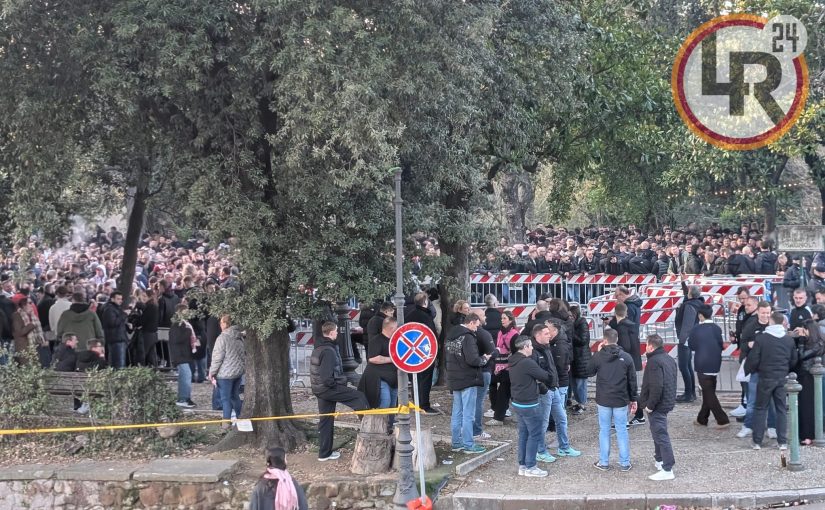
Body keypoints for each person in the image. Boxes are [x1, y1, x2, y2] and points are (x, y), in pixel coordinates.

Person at [311, 321, 368, 461]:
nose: (337, 333)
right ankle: (369, 429)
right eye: (336, 331)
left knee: (326, 420)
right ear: (331, 333)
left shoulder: (319, 347)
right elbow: (326, 376)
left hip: (320, 389)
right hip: (328, 388)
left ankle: (324, 453)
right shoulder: (328, 351)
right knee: (359, 397)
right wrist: (339, 384)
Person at [745, 311, 797, 450]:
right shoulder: (788, 340)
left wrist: (749, 369)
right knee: (781, 409)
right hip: (781, 378)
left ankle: (757, 441)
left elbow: (754, 358)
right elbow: (793, 360)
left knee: (761, 408)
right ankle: (782, 442)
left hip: (765, 377)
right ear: (782, 323)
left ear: (771, 321)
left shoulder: (762, 339)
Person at [590, 328, 637, 472]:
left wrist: (597, 353)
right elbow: (632, 380)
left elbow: (589, 371)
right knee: (622, 430)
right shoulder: (627, 357)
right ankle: (624, 462)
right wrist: (633, 399)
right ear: (617, 339)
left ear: (604, 340)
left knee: (604, 430)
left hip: (603, 398)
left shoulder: (598, 357)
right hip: (621, 399)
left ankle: (604, 462)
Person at [509, 335, 556, 478]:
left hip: (517, 402)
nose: (532, 348)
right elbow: (546, 376)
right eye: (530, 346)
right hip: (529, 403)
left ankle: (522, 465)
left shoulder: (513, 360)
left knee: (524, 434)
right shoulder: (527, 363)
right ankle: (531, 466)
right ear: (524, 347)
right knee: (535, 434)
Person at [445, 312, 489, 454]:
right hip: (467, 378)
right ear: (471, 323)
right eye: (477, 325)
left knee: (457, 412)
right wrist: (484, 359)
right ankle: (469, 444)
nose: (477, 329)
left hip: (454, 377)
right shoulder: (468, 337)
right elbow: (472, 360)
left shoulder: (451, 335)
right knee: (468, 413)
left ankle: (456, 442)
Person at [638, 334, 678, 481]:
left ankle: (668, 468)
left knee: (661, 435)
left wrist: (649, 405)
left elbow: (656, 386)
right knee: (657, 432)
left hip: (657, 405)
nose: (645, 347)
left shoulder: (654, 362)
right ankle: (660, 460)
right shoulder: (668, 358)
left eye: (646, 345)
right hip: (666, 402)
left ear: (651, 346)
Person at [738, 300, 777, 439]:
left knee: (772, 399)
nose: (765, 316)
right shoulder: (751, 325)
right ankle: (748, 425)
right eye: (763, 313)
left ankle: (772, 427)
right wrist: (748, 345)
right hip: (755, 367)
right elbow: (741, 345)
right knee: (752, 400)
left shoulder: (774, 325)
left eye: (768, 313)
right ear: (758, 312)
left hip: (770, 368)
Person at [688, 306, 730, 428]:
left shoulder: (696, 329)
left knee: (709, 393)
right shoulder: (717, 328)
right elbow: (720, 344)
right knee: (709, 391)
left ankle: (722, 419)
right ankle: (702, 418)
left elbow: (692, 345)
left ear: (701, 315)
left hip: (702, 363)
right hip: (715, 362)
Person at [358, 316, 399, 430]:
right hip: (380, 377)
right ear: (391, 328)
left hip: (393, 378)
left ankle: (389, 427)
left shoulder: (395, 340)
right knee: (386, 401)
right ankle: (379, 428)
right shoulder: (377, 340)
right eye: (396, 327)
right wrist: (393, 359)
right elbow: (373, 358)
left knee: (392, 405)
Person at [547, 320, 581, 457]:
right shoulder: (554, 343)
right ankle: (562, 444)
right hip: (556, 383)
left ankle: (561, 443)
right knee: (557, 416)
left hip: (559, 384)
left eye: (547, 329)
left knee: (560, 416)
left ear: (554, 331)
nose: (546, 331)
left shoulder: (559, 345)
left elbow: (560, 366)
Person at [530, 324, 559, 464]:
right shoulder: (534, 352)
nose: (550, 335)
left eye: (549, 332)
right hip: (545, 392)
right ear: (538, 335)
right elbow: (535, 375)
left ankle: (564, 446)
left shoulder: (546, 347)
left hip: (554, 389)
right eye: (546, 333)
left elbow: (551, 368)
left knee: (562, 418)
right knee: (542, 423)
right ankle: (540, 451)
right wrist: (545, 390)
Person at [404, 292, 439, 413]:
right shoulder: (425, 316)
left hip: (412, 353)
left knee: (416, 380)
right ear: (425, 302)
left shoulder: (410, 314)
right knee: (424, 380)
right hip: (424, 353)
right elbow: (430, 336)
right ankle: (423, 405)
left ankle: (417, 403)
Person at [209, 315, 245, 430]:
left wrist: (212, 372)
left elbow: (217, 358)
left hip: (225, 374)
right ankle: (241, 418)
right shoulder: (240, 337)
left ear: (226, 324)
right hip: (238, 373)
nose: (220, 325)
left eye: (221, 322)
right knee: (235, 396)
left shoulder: (222, 338)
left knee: (225, 399)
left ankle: (226, 423)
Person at [796, 318, 825, 444]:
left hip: (809, 377)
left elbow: (802, 356)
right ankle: (806, 434)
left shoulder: (817, 344)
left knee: (807, 406)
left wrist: (801, 340)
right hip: (806, 376)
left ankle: (808, 435)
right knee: (805, 406)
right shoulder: (817, 342)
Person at [486, 311, 518, 425]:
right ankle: (497, 410)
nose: (502, 320)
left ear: (510, 320)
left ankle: (499, 417)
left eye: (504, 318)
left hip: (508, 367)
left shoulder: (514, 334)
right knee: (493, 386)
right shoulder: (500, 332)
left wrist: (509, 366)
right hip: (498, 364)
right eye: (501, 318)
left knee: (503, 391)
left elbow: (515, 353)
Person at [675, 283, 703, 403]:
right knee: (687, 366)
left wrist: (682, 340)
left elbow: (687, 325)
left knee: (683, 366)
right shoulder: (695, 302)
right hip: (689, 338)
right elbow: (687, 294)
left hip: (686, 339)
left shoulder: (689, 306)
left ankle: (688, 394)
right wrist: (683, 282)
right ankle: (690, 392)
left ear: (691, 294)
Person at [473, 311, 496, 441]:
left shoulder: (464, 333)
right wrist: (496, 351)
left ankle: (466, 429)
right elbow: (492, 352)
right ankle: (476, 430)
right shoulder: (483, 334)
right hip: (483, 370)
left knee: (467, 402)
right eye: (483, 315)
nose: (485, 317)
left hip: (469, 372)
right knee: (478, 402)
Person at [169, 304, 197, 408]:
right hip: (180, 355)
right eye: (185, 311)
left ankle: (186, 397)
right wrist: (189, 331)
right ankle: (183, 398)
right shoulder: (177, 324)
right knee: (186, 375)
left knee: (186, 376)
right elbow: (177, 339)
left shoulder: (185, 324)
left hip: (184, 354)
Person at [569, 303, 592, 414]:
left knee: (580, 383)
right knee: (575, 382)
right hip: (576, 357)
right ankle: (579, 402)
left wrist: (572, 332)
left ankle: (582, 404)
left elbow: (583, 340)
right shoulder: (576, 323)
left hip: (581, 358)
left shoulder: (582, 323)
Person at [101, 291, 129, 369]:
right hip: (116, 339)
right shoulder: (109, 309)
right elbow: (113, 323)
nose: (120, 301)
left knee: (117, 363)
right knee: (119, 364)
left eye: (121, 299)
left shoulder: (115, 308)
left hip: (117, 338)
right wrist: (124, 315)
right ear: (112, 299)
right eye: (118, 299)